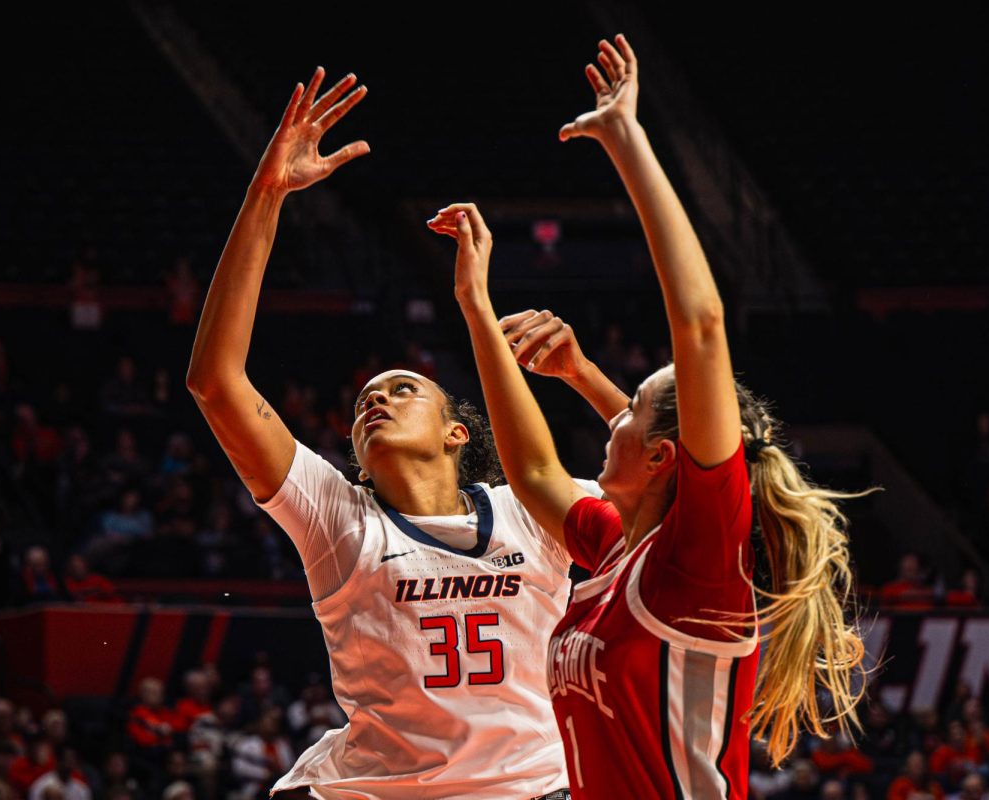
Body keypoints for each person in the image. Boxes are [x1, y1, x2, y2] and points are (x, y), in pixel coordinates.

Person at [433, 34, 865, 798]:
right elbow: (533, 472)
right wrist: (476, 309)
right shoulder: (615, 556)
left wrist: (626, 138)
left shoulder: (696, 564)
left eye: (629, 406)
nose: (611, 411)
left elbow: (700, 325)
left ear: (665, 457)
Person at [186, 66, 613, 799]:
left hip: (534, 789)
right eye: (362, 404)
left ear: (455, 433)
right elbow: (215, 382)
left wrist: (582, 375)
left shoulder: (530, 509)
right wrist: (267, 196)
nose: (374, 403)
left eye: (401, 390)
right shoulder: (335, 516)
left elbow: (667, 474)